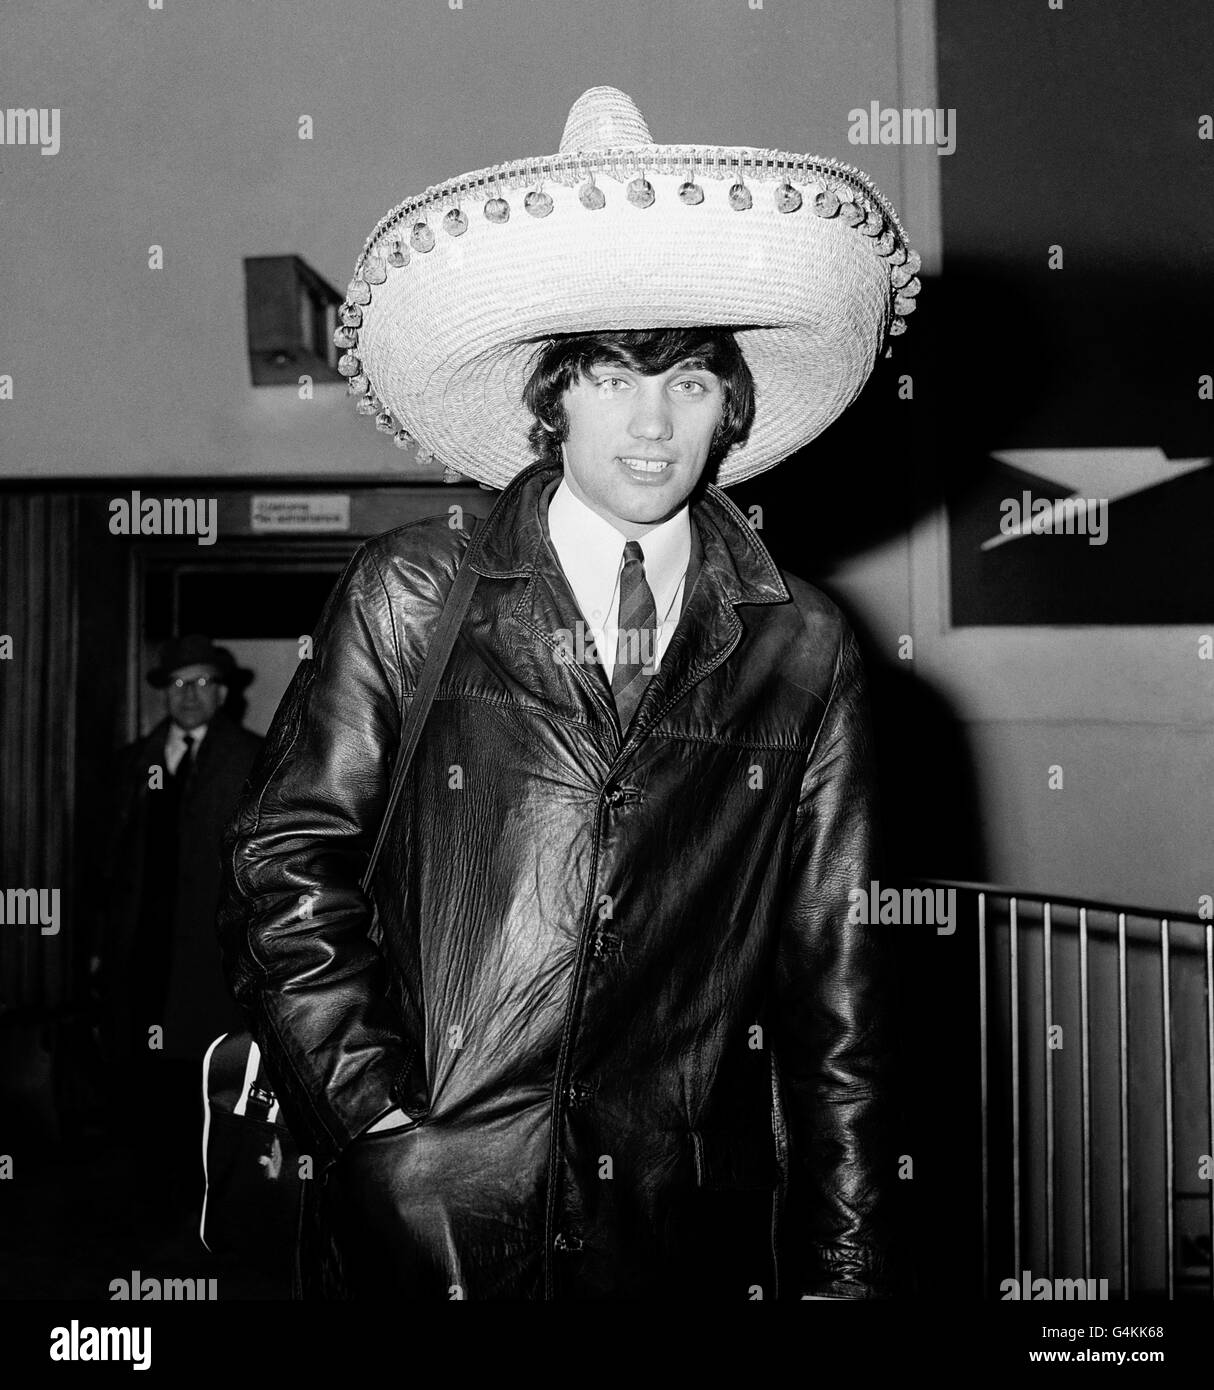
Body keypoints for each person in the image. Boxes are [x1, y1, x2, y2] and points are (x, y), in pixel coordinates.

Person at [219, 85, 921, 1299]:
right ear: (551, 399)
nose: (651, 426)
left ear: (732, 405)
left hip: (670, 1230)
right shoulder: (414, 590)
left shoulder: (801, 644)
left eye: (691, 382)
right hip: (422, 1214)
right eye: (609, 375)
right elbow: (288, 856)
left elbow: (838, 989)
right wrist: (379, 1127)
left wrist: (842, 1269)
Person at [98, 634, 262, 1220]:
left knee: (203, 1070)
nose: (188, 695)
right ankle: (148, 1198)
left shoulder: (250, 760)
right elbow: (107, 863)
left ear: (220, 693)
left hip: (208, 954)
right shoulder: (134, 762)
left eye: (199, 683)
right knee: (143, 1076)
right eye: (177, 684)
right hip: (142, 948)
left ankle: (208, 1204)